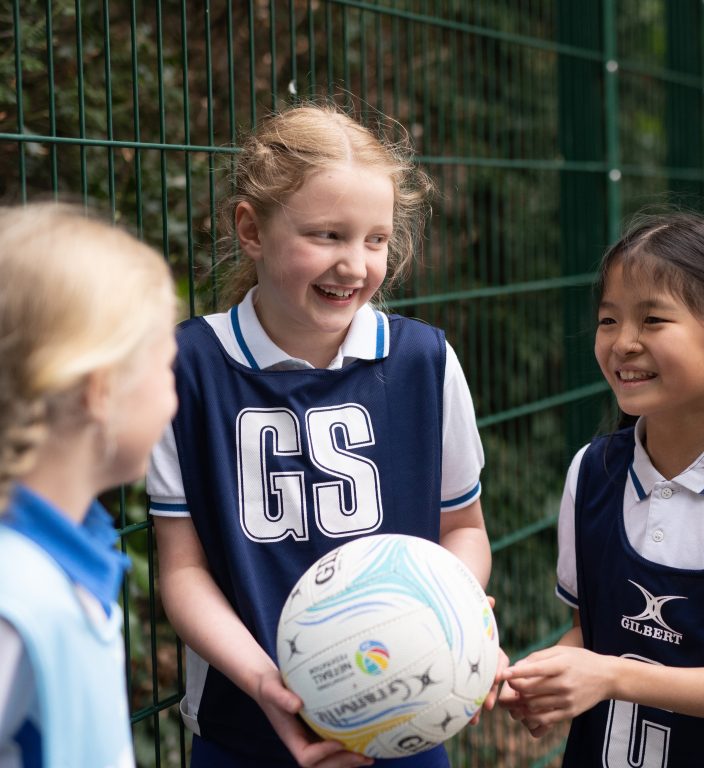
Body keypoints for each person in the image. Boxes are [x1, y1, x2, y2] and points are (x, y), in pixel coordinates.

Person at [146, 103, 495, 768]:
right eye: (327, 235)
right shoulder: (185, 368)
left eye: (375, 240)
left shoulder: (425, 362)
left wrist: (452, 613)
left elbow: (465, 529)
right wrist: (265, 684)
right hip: (242, 725)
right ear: (250, 228)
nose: (355, 265)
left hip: (405, 714)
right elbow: (183, 570)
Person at [499, 212, 704, 765]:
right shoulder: (592, 471)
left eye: (653, 320)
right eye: (608, 320)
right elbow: (586, 634)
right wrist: (541, 679)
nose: (623, 343)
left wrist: (612, 676)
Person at [0, 203, 178, 768]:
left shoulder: (69, 553)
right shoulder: (14, 596)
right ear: (101, 391)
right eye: (167, 367)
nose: (178, 393)